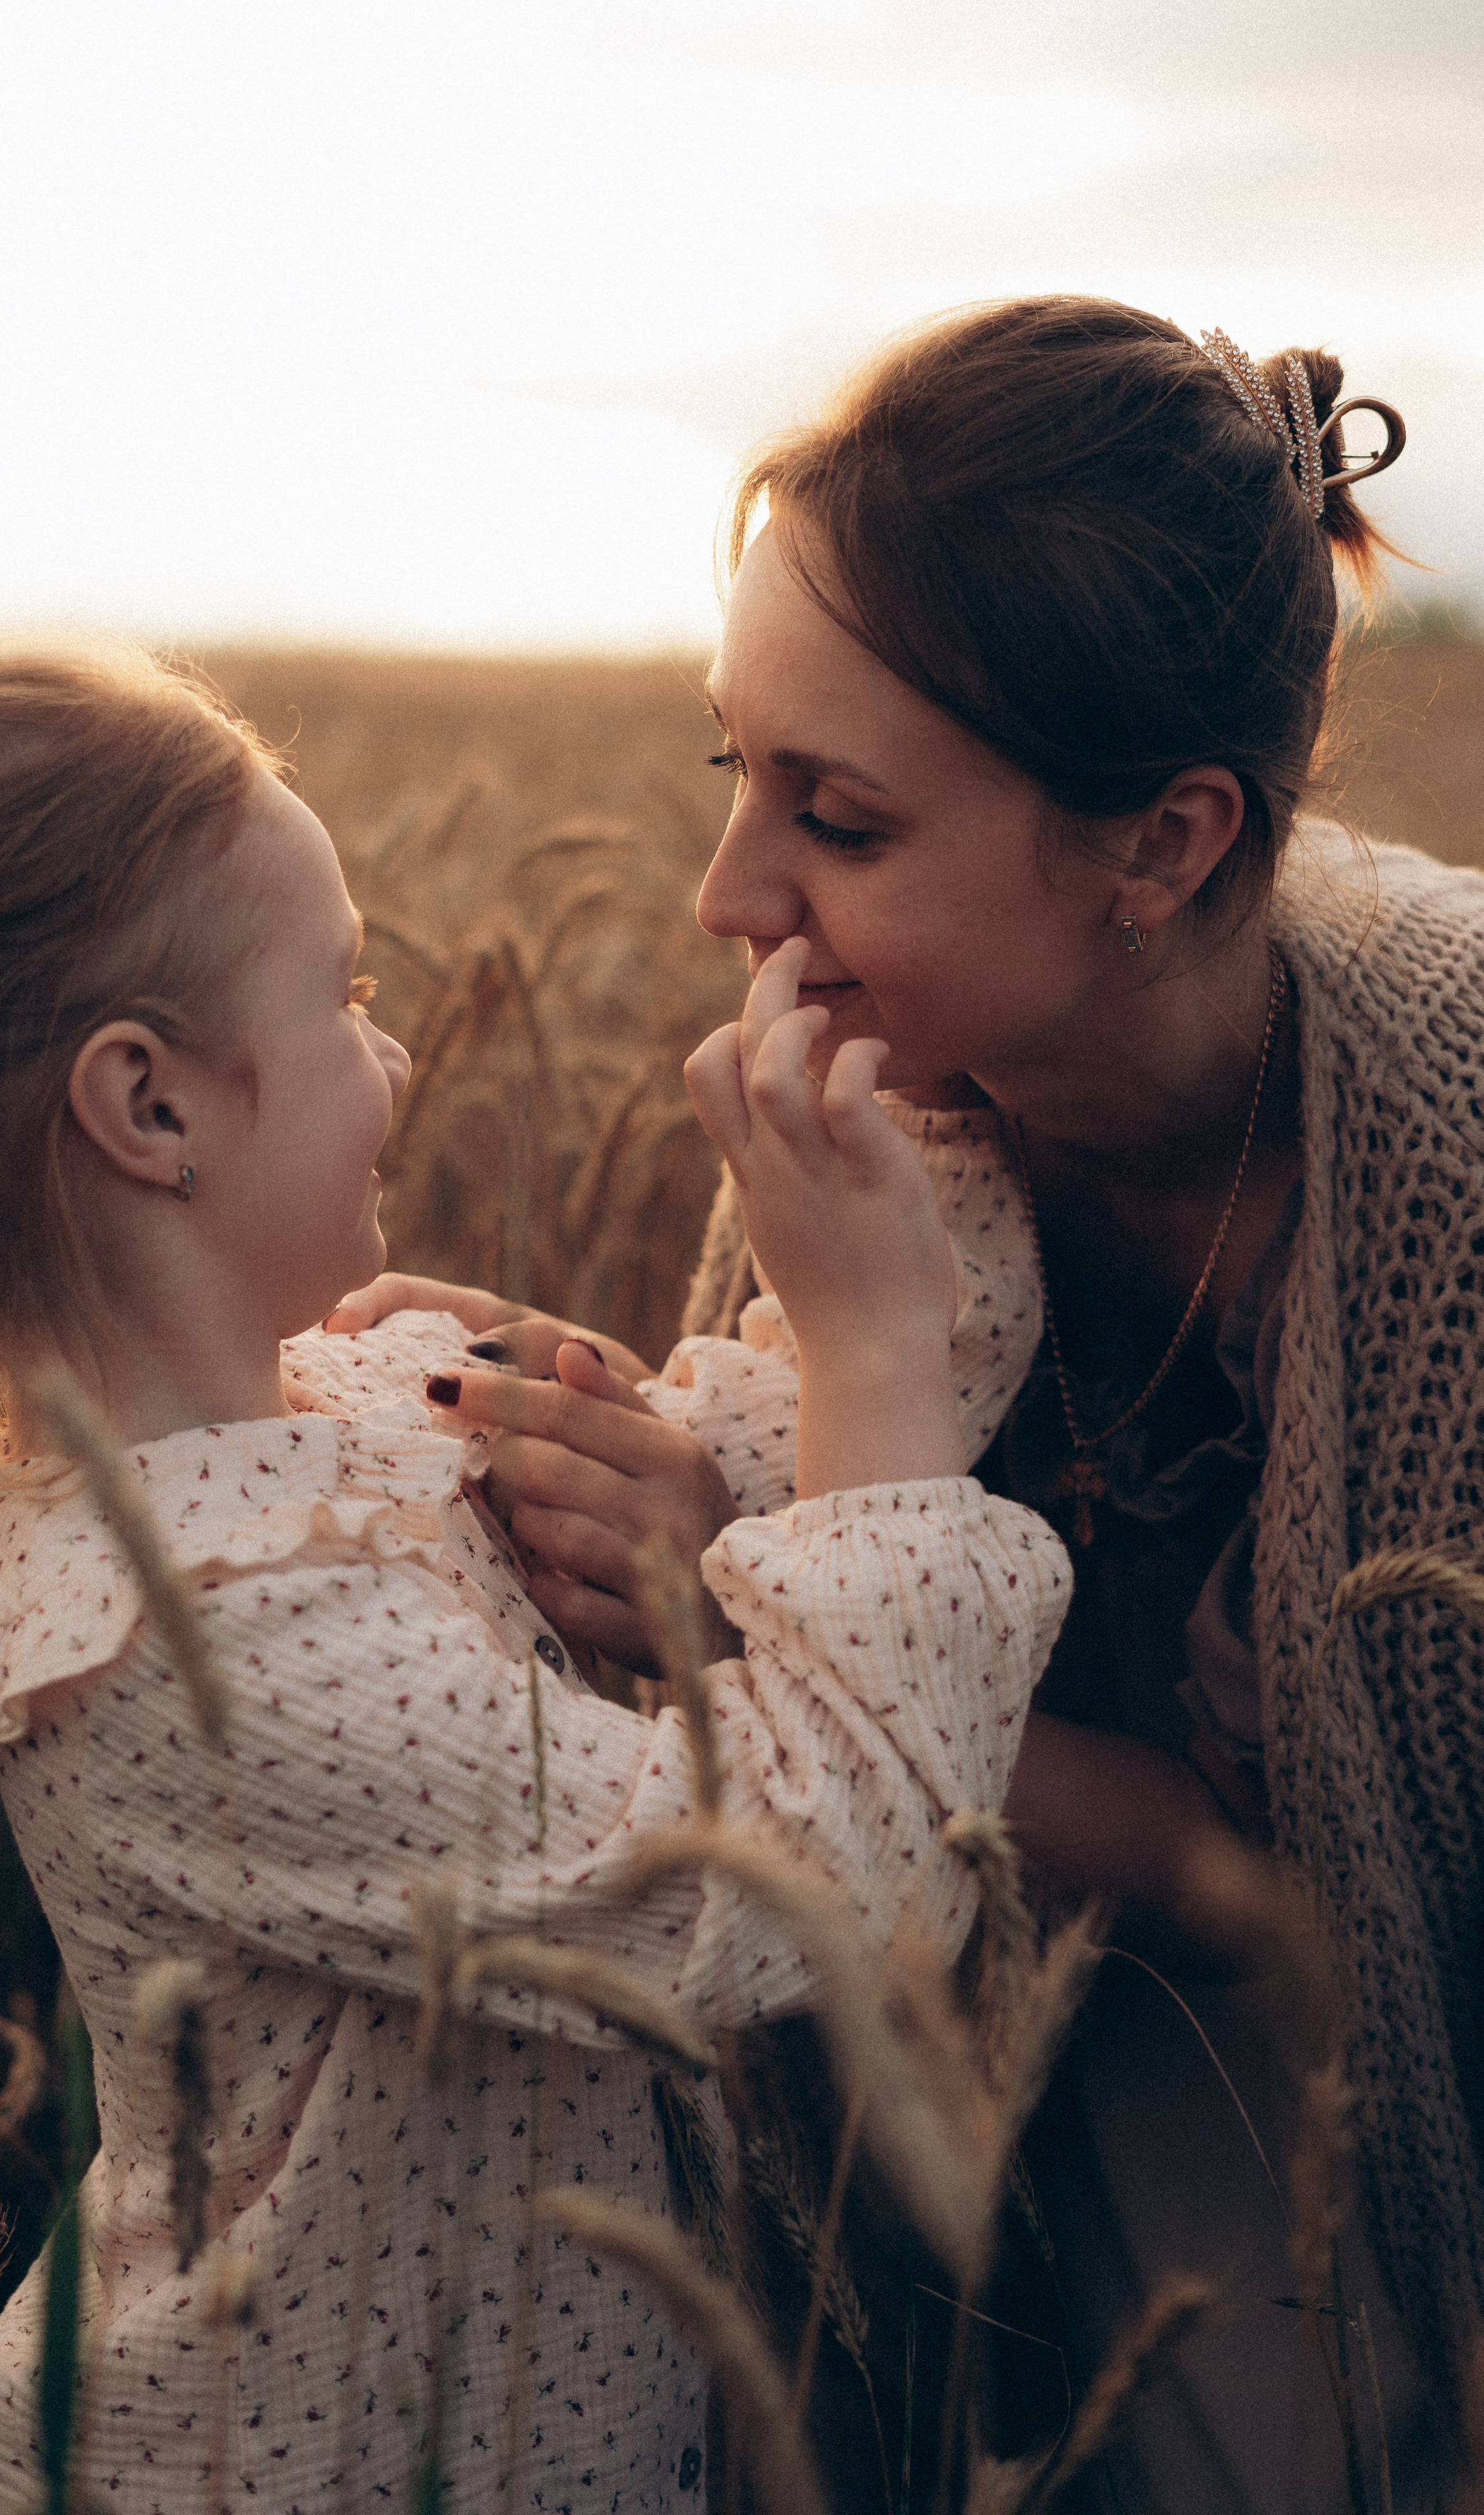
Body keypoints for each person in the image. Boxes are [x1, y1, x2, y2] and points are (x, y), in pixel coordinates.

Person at [343, 299, 1484, 2505]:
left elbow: (1354, 1913)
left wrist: (721, 1593)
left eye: (837, 817)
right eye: (731, 771)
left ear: (1159, 847)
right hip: (1104, 2049)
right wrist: (544, 1435)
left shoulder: (1445, 1181)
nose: (724, 899)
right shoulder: (922, 1093)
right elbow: (788, 1548)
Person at [0, 642, 1071, 2510]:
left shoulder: (371, 1399)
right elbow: (826, 1882)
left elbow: (805, 1465)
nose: (399, 1054)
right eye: (349, 993)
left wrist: (922, 1129)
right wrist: (869, 1355)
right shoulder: (189, 1644)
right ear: (148, 1110)